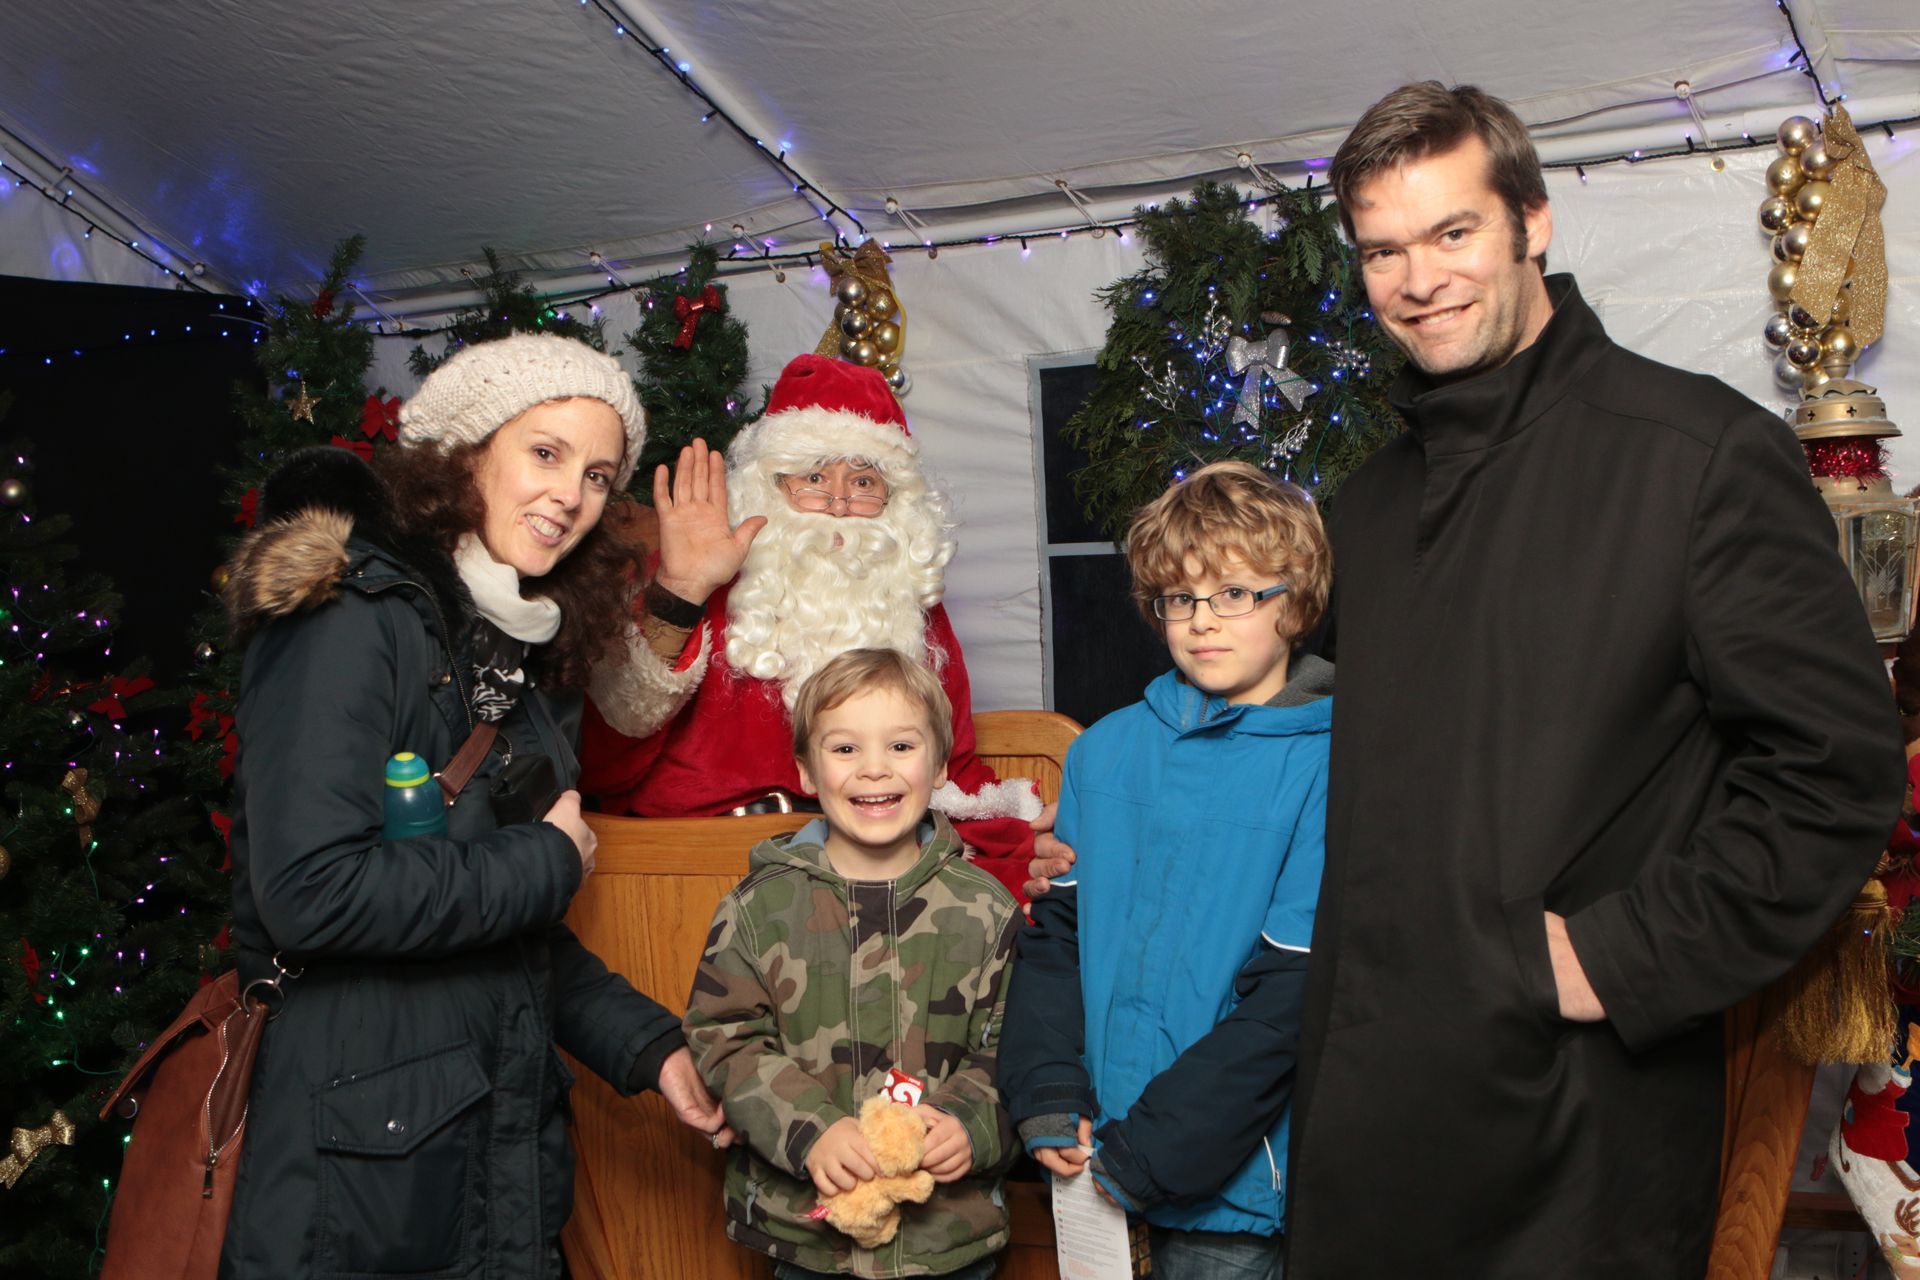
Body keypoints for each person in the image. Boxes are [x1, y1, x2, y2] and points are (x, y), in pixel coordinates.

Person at [1278, 82, 1905, 1278]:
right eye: (1383, 251)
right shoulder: (1363, 505)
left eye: (1452, 233)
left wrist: (1617, 958)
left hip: (1566, 1144)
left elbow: (1837, 771)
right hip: (1366, 1127)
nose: (1419, 280)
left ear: (1531, 221)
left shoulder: (1698, 454)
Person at [217, 334, 731, 1279]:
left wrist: (652, 1048)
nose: (569, 496)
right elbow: (312, 892)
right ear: (465, 453)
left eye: (596, 474)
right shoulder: (349, 618)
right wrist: (547, 861)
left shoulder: (519, 651)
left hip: (491, 1147)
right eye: (544, 453)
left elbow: (505, 926)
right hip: (361, 1169)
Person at [1000, 461, 1333, 1280]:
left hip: (1236, 1184)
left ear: (1293, 602)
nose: (1201, 622)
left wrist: (1156, 1150)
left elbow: (1293, 998)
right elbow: (1056, 942)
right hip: (1092, 1152)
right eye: (1179, 598)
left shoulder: (1332, 765)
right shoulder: (1106, 750)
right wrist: (1046, 1092)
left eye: (1234, 594)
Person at [578, 354, 1049, 897]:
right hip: (700, 874)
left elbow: (952, 763)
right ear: (770, 487)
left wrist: (1017, 846)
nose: (839, 504)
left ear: (895, 500)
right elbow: (600, 765)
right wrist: (681, 593)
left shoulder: (909, 602)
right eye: (815, 477)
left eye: (865, 481)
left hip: (875, 865)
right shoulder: (697, 584)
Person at [682, 646, 1021, 1280]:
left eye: (900, 746)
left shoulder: (986, 910)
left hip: (950, 1238)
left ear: (941, 764)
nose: (873, 770)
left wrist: (968, 1122)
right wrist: (812, 1131)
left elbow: (1014, 1047)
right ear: (806, 771)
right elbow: (725, 1041)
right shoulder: (760, 909)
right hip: (811, 1240)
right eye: (844, 749)